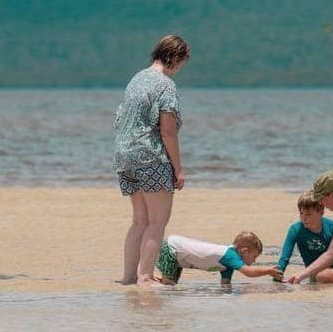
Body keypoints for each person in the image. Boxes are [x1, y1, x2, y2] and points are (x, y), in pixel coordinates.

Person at [113, 34, 190, 287]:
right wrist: (178, 169)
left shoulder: (137, 78)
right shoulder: (165, 85)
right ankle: (145, 277)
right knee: (157, 221)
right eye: (181, 63)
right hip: (151, 157)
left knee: (139, 221)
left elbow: (120, 119)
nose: (180, 69)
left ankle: (128, 276)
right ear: (175, 58)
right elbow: (167, 130)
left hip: (125, 156)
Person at [276, 191, 333, 283]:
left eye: (308, 214)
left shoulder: (332, 226)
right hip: (315, 271)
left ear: (321, 212)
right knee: (323, 275)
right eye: (301, 213)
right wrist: (276, 278)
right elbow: (285, 258)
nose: (303, 218)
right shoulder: (295, 230)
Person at [153, 232, 282, 285]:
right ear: (244, 251)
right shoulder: (230, 255)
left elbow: (225, 286)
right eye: (254, 257)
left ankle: (149, 278)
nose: (254, 261)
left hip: (180, 257)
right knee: (168, 287)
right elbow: (248, 272)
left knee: (170, 285)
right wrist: (269, 271)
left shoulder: (228, 265)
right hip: (172, 249)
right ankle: (146, 280)